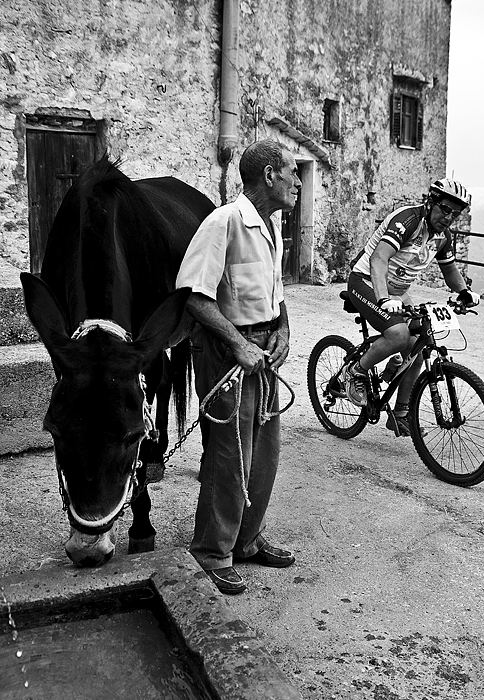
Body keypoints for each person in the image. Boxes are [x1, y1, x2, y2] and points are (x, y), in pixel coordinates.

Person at [175, 139, 301, 594]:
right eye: (291, 172)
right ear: (269, 175)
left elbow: (277, 295)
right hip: (230, 353)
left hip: (265, 352)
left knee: (265, 453)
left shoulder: (271, 226)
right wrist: (237, 344)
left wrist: (284, 332)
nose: (297, 180)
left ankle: (246, 541)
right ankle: (211, 551)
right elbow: (193, 295)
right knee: (230, 456)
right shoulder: (224, 221)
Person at [346, 178, 480, 435]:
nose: (449, 217)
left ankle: (400, 413)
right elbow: (378, 258)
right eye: (445, 209)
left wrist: (464, 292)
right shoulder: (407, 220)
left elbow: (450, 270)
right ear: (431, 202)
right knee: (398, 334)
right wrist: (384, 298)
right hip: (366, 282)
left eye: (456, 214)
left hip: (398, 291)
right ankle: (355, 371)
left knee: (419, 341)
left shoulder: (442, 236)